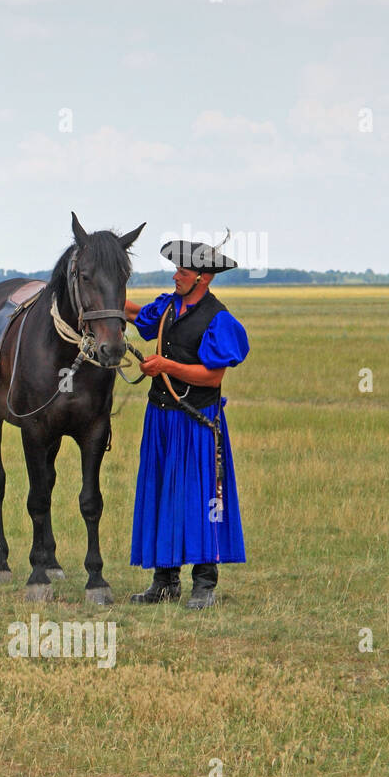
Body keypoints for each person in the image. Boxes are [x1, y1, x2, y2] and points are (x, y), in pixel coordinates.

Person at [123, 239, 249, 608]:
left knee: (203, 496)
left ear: (204, 278)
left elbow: (212, 377)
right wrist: (102, 301)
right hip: (160, 419)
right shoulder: (167, 307)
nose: (176, 276)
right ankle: (164, 583)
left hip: (197, 422)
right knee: (163, 492)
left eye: (184, 272)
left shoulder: (219, 319)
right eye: (177, 270)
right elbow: (136, 314)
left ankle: (204, 585)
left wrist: (166, 367)